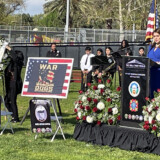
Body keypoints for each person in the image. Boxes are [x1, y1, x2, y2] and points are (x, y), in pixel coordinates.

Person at [4, 45, 24, 123]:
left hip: (14, 84)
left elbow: (15, 58)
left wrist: (10, 49)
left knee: (12, 100)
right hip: (9, 84)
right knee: (6, 101)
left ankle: (15, 118)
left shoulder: (18, 64)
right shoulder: (10, 63)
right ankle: (13, 115)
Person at [46, 43, 62, 116]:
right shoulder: (48, 53)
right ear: (51, 47)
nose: (54, 47)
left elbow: (60, 60)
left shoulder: (58, 53)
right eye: (52, 46)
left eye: (54, 46)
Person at [147, 28, 160, 98]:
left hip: (158, 73)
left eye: (157, 36)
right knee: (151, 93)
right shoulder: (151, 46)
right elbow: (147, 58)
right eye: (154, 36)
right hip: (150, 73)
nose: (156, 38)